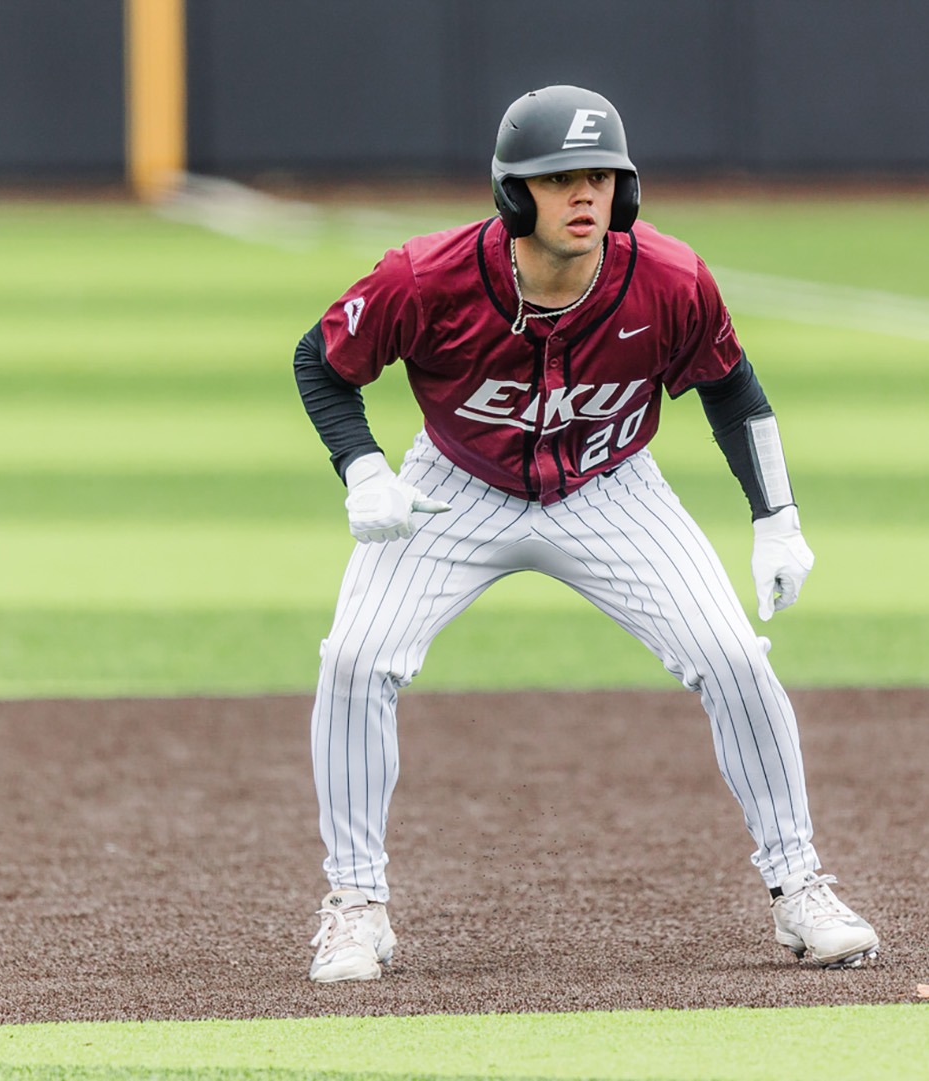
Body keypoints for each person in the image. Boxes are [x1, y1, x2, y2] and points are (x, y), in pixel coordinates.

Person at [291, 85, 879, 982]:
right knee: (355, 659)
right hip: (455, 488)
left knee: (732, 656)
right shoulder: (425, 276)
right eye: (558, 177)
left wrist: (777, 521)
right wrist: (364, 468)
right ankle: (355, 903)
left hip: (612, 487)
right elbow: (320, 361)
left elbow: (733, 390)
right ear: (512, 191)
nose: (584, 195)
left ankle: (800, 887)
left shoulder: (669, 277)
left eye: (601, 175)